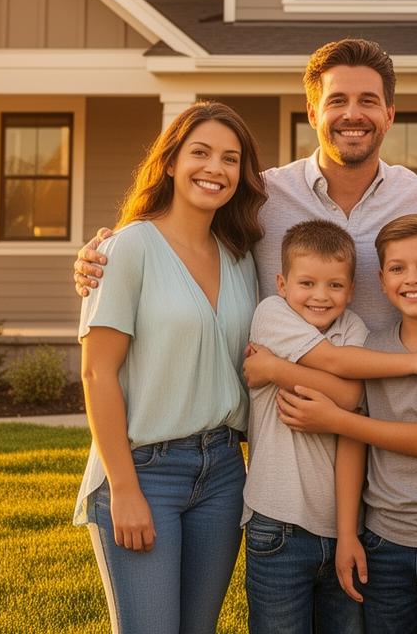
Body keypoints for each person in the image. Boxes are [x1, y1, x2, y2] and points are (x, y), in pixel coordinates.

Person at [72, 39, 417, 331]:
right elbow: (181, 231)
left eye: (368, 101)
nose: (352, 114)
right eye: (336, 100)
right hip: (292, 442)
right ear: (313, 110)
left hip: (400, 441)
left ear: (390, 114)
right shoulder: (262, 195)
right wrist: (107, 254)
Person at [73, 101, 265, 634]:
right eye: (199, 152)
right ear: (171, 163)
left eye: (230, 158)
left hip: (225, 471)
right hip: (145, 470)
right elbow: (97, 374)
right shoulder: (128, 247)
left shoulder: (240, 255)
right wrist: (125, 489)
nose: (215, 168)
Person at [277, 214, 417, 634]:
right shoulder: (372, 348)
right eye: (397, 269)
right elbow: (355, 446)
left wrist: (336, 420)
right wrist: (347, 535)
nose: (412, 279)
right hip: (384, 543)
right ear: (381, 281)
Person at [238, 218, 417, 634]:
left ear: (352, 290)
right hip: (277, 523)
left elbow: (353, 397)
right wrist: (412, 363)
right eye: (307, 284)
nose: (320, 296)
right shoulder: (272, 314)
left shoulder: (354, 328)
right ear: (282, 284)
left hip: (344, 527)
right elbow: (343, 379)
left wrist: (274, 368)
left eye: (335, 286)